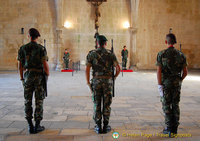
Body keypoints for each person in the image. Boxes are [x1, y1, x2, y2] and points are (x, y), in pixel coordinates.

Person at [86, 35, 120, 134]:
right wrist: (114, 77)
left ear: (97, 43)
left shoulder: (92, 54)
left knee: (97, 103)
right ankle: (105, 126)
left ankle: (97, 126)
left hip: (96, 81)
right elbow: (118, 69)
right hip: (108, 82)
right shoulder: (111, 54)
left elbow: (87, 70)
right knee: (107, 104)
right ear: (105, 43)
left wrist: (88, 82)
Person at [18, 28, 49, 134]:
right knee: (39, 100)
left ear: (29, 36)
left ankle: (30, 125)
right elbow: (45, 65)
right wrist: (47, 76)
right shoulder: (41, 48)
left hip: (28, 76)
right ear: (38, 37)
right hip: (39, 77)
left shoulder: (23, 48)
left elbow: (20, 65)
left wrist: (22, 78)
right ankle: (37, 125)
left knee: (28, 101)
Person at [156, 33, 188, 137]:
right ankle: (175, 128)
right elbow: (185, 72)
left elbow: (159, 71)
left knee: (166, 104)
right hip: (176, 83)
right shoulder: (181, 54)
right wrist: (180, 80)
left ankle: (169, 128)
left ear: (166, 42)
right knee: (175, 104)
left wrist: (159, 85)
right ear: (175, 42)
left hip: (166, 83)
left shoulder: (162, 54)